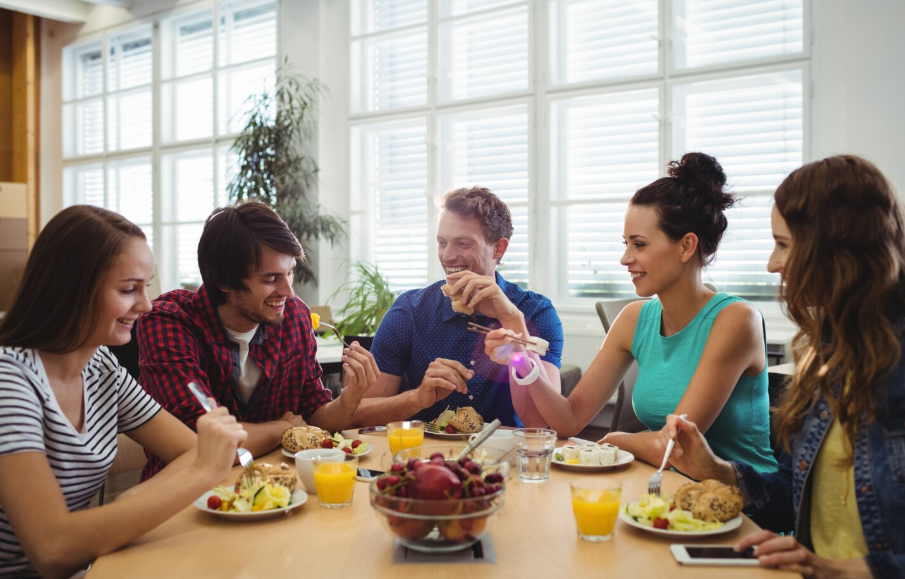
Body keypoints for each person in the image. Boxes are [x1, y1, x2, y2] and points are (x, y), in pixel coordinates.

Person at [656, 156, 905, 578]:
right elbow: (795, 491)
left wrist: (842, 569)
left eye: (784, 244)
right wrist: (716, 470)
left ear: (837, 247)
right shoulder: (828, 354)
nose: (773, 264)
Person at [484, 153, 777, 471]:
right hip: (665, 493)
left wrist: (616, 439)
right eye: (625, 243)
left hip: (741, 503)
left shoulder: (736, 320)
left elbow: (675, 447)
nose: (625, 258)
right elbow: (569, 420)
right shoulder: (634, 319)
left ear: (685, 246)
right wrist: (522, 360)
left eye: (639, 244)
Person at [0, 206, 247, 579]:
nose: (146, 305)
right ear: (72, 288)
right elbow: (52, 549)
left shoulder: (101, 368)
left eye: (146, 286)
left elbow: (189, 449)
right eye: (128, 289)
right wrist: (203, 474)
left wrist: (135, 499)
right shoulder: (10, 380)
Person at [137, 201, 380, 479]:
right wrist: (280, 428)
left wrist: (348, 401)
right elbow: (200, 440)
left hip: (279, 489)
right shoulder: (169, 321)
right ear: (224, 281)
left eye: (290, 272)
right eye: (270, 279)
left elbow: (313, 417)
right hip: (188, 497)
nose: (288, 291)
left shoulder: (295, 317)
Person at [358, 186, 564, 427]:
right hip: (423, 459)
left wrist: (514, 329)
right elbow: (359, 415)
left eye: (463, 243)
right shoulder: (410, 311)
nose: (447, 256)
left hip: (504, 459)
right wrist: (415, 398)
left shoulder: (536, 312)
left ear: (498, 248)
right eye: (442, 242)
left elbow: (545, 424)